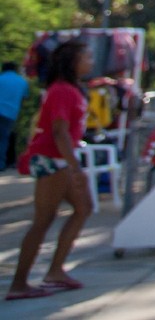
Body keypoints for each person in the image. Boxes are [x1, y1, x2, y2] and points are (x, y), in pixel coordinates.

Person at [6, 41, 93, 300]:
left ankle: (55, 271)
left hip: (59, 158)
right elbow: (59, 131)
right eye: (87, 56)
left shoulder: (71, 89)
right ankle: (19, 284)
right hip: (52, 158)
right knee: (43, 219)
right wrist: (75, 168)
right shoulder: (62, 90)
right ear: (72, 61)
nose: (91, 61)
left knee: (83, 207)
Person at [0, 61, 28, 167]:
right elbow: (24, 98)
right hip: (10, 113)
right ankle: (1, 163)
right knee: (4, 138)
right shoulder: (21, 81)